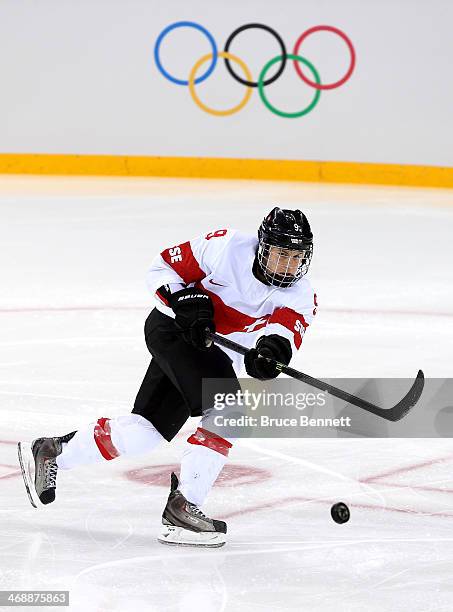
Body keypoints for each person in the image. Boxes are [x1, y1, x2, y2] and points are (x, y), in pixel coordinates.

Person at [18, 207, 317, 548]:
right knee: (229, 411)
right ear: (263, 248)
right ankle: (183, 509)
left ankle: (52, 452)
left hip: (210, 351)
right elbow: (163, 267)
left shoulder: (301, 294)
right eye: (282, 254)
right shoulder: (226, 247)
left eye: (297, 257)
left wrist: (270, 356)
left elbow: (283, 337)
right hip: (172, 330)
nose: (289, 264)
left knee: (146, 432)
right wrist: (186, 301)